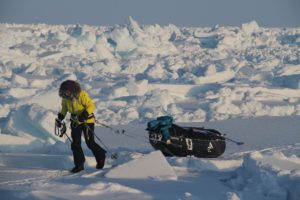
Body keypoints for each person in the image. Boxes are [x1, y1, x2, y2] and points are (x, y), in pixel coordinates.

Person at [55, 80, 106, 173]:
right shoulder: (65, 98)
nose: (66, 93)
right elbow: (64, 109)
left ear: (73, 90)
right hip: (75, 122)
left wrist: (84, 114)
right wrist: (60, 118)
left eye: (67, 91)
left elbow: (91, 106)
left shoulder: (82, 95)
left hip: (87, 121)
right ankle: (79, 165)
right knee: (75, 144)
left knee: (90, 142)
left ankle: (101, 156)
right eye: (64, 91)